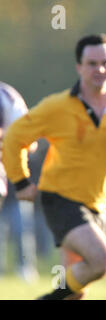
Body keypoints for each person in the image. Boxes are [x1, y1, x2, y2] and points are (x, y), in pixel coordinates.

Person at [3, 34, 106, 299]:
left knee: (77, 292)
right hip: (61, 199)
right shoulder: (58, 107)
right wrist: (20, 182)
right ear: (79, 67)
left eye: (105, 62)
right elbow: (14, 138)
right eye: (91, 63)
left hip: (99, 204)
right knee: (102, 261)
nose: (99, 69)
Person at [0, 82, 39, 282]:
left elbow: (31, 142)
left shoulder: (7, 96)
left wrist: (6, 138)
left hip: (13, 175)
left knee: (21, 226)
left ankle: (25, 269)